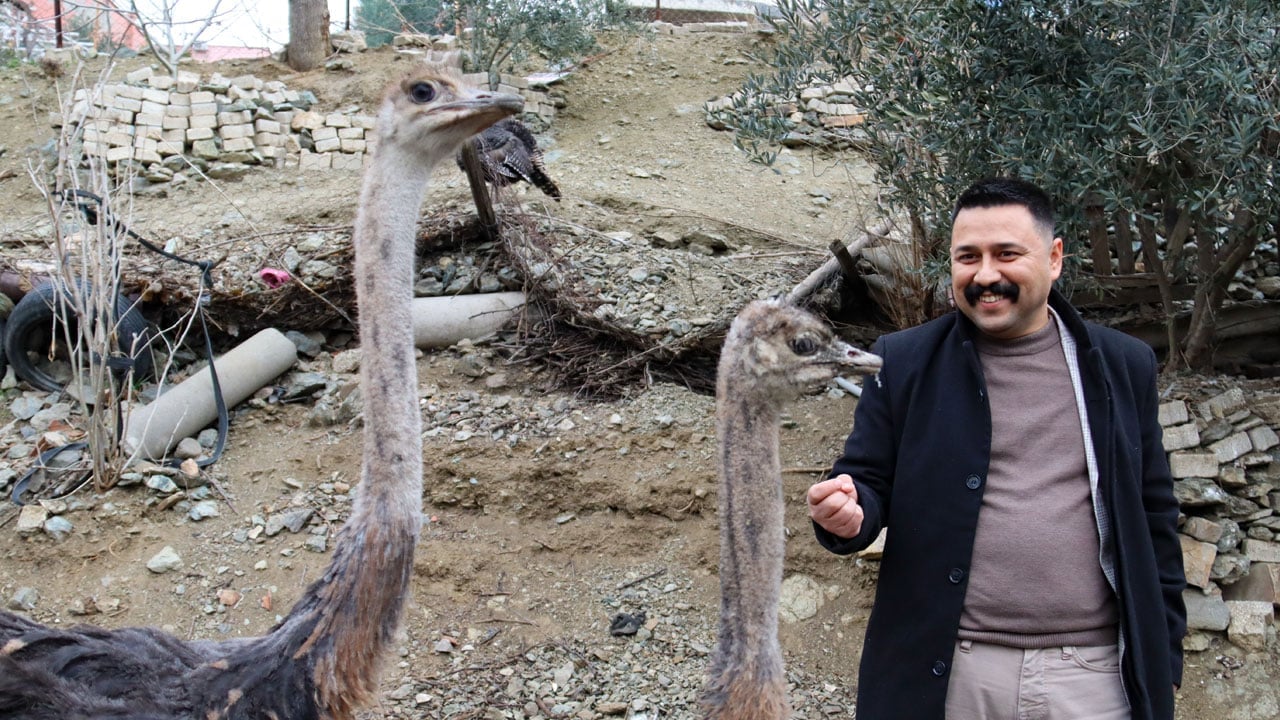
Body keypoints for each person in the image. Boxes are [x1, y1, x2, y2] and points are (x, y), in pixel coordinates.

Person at [807, 177, 1186, 720]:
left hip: (1092, 677)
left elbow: (1154, 514)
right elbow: (866, 482)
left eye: (1007, 254)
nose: (986, 275)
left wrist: (1163, 653)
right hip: (950, 673)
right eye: (968, 257)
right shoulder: (905, 362)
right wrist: (848, 513)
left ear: (1054, 258)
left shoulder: (1120, 365)